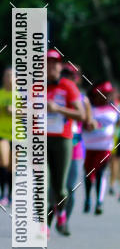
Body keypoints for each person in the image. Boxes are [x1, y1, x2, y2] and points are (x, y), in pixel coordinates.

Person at [46, 49, 84, 235]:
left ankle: (60, 212)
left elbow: (81, 114)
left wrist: (58, 109)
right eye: (47, 63)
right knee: (42, 184)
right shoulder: (36, 86)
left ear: (60, 67)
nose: (51, 67)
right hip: (41, 140)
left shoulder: (68, 86)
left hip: (63, 140)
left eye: (54, 63)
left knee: (61, 188)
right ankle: (43, 225)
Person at [61, 62, 91, 230]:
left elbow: (88, 121)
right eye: (64, 75)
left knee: (70, 187)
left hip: (75, 146)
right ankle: (49, 219)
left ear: (77, 79)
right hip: (56, 144)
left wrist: (91, 122)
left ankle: (65, 220)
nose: (67, 79)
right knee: (53, 187)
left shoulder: (83, 100)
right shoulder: (54, 95)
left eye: (71, 76)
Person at [83, 81, 118, 215]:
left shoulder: (113, 108)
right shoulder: (88, 107)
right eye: (104, 94)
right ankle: (87, 199)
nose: (107, 96)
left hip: (105, 147)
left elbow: (111, 120)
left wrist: (94, 124)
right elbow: (83, 121)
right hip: (88, 146)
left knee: (101, 173)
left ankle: (99, 202)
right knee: (88, 173)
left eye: (108, 94)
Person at [0, 67, 13, 206]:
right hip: (1, 132)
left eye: (12, 76)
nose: (9, 78)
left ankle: (10, 196)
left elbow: (29, 112)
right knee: (3, 162)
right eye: (7, 75)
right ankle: (2, 193)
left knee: (12, 167)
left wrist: (16, 110)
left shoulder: (21, 94)